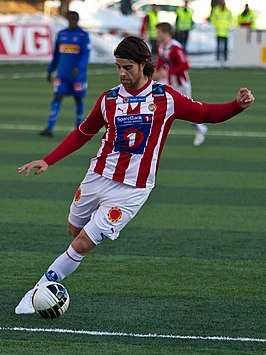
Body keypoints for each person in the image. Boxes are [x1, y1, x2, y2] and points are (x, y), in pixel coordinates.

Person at [15, 36, 255, 314]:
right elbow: (84, 132)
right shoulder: (109, 99)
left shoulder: (165, 98)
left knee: (82, 243)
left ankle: (36, 292)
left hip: (132, 190)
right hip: (97, 176)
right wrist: (48, 160)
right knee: (73, 229)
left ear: (144, 65)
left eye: (127, 67)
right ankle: (59, 269)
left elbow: (207, 114)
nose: (121, 73)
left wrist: (236, 105)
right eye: (117, 67)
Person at [155, 22, 208, 146]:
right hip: (167, 82)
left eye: (159, 33)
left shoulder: (175, 47)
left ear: (166, 33)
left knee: (188, 111)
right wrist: (157, 72)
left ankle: (201, 129)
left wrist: (168, 72)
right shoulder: (161, 46)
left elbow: (185, 65)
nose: (156, 35)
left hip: (180, 83)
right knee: (157, 104)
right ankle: (154, 135)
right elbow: (160, 61)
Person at [40, 11, 91, 138]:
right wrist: (50, 70)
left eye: (74, 19)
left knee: (78, 99)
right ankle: (49, 127)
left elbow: (85, 55)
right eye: (70, 19)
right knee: (57, 96)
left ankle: (79, 128)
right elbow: (56, 55)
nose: (72, 21)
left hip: (77, 76)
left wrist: (78, 68)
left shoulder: (83, 35)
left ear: (77, 20)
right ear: (68, 19)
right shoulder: (61, 34)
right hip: (62, 74)